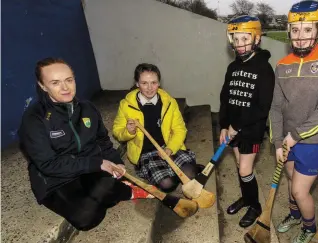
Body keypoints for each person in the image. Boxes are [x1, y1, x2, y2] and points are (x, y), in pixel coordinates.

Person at [19, 58, 153, 231]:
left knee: (107, 184)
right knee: (86, 218)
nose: (65, 87)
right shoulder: (34, 119)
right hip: (56, 179)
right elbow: (48, 164)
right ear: (43, 86)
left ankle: (124, 190)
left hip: (88, 169)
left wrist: (116, 161)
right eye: (55, 82)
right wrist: (97, 163)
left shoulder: (87, 108)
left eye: (69, 80)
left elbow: (103, 141)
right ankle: (111, 192)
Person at [269, 0, 318, 243]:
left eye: (308, 30)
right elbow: (276, 107)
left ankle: (309, 226)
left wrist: (295, 136)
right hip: (288, 140)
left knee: (301, 191)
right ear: (289, 31)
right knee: (291, 181)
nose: (301, 37)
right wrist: (278, 142)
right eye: (296, 30)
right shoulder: (282, 65)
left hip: (314, 142)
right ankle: (295, 214)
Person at [219, 15, 275, 227]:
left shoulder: (264, 69)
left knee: (245, 169)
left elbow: (262, 108)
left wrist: (237, 126)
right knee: (242, 168)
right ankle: (247, 197)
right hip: (233, 129)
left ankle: (255, 206)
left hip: (251, 130)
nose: (240, 44)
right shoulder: (232, 67)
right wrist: (224, 126)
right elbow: (224, 98)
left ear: (257, 38)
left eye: (245, 39)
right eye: (236, 39)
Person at [113, 63, 197, 193]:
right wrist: (129, 132)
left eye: (153, 82)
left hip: (167, 147)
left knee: (190, 173)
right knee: (167, 185)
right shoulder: (126, 105)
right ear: (137, 83)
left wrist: (170, 148)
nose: (149, 88)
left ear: (159, 83)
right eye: (144, 83)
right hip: (145, 154)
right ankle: (167, 173)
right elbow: (117, 132)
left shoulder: (169, 102)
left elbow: (180, 129)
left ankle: (173, 169)